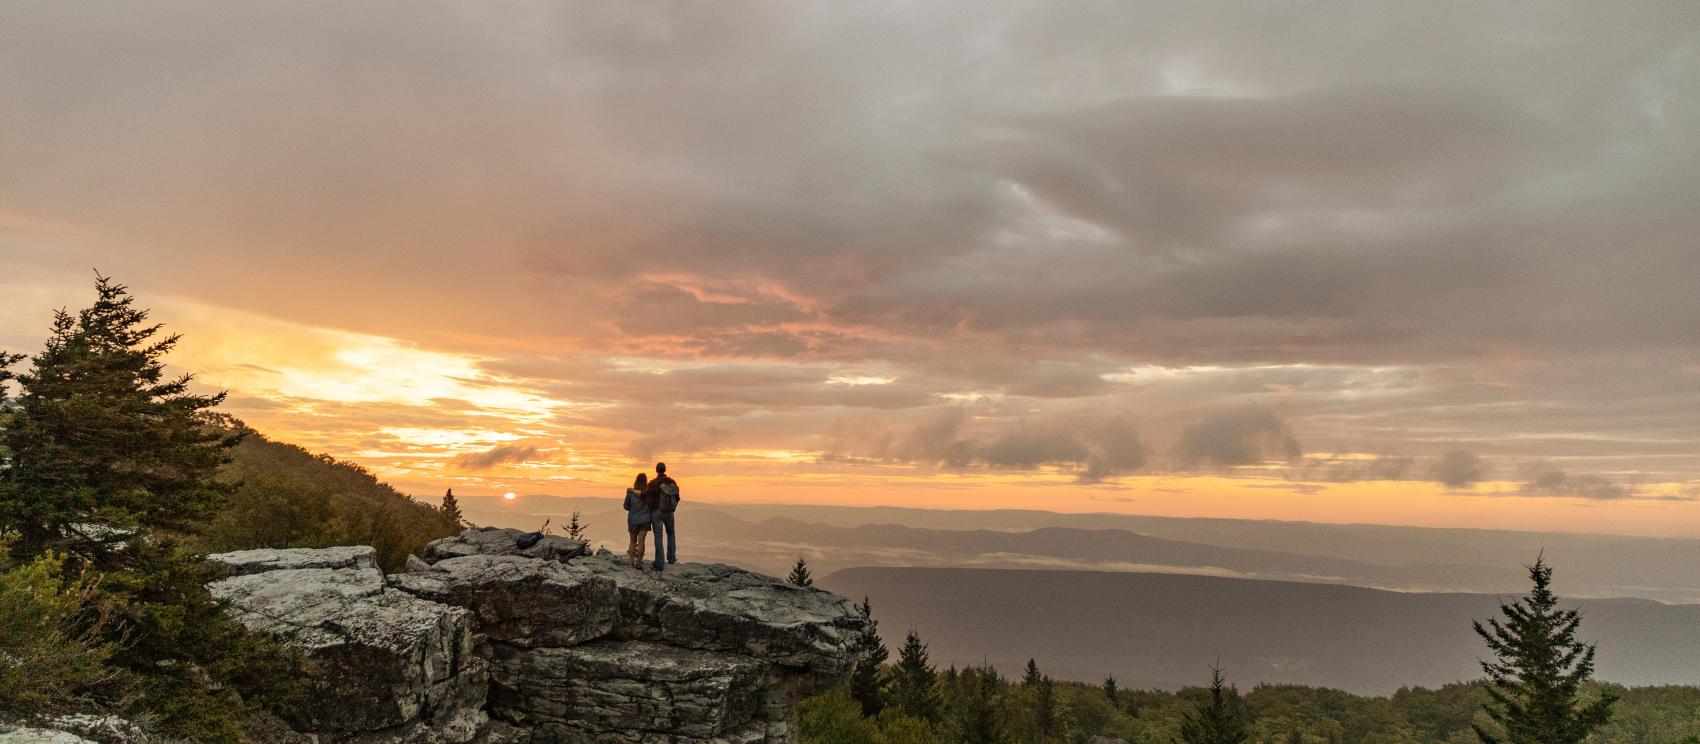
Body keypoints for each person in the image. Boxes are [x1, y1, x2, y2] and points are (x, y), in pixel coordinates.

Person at [643, 462, 681, 571]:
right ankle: (672, 558)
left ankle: (659, 563)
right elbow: (677, 497)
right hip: (669, 512)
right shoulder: (672, 482)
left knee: (658, 537)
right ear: (665, 469)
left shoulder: (653, 483)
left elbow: (645, 495)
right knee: (671, 533)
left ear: (657, 470)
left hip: (657, 512)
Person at [622, 472, 653, 569]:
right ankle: (639, 563)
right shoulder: (648, 494)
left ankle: (631, 562)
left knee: (632, 541)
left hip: (633, 520)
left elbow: (626, 506)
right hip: (645, 520)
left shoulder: (631, 493)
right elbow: (652, 505)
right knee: (641, 542)